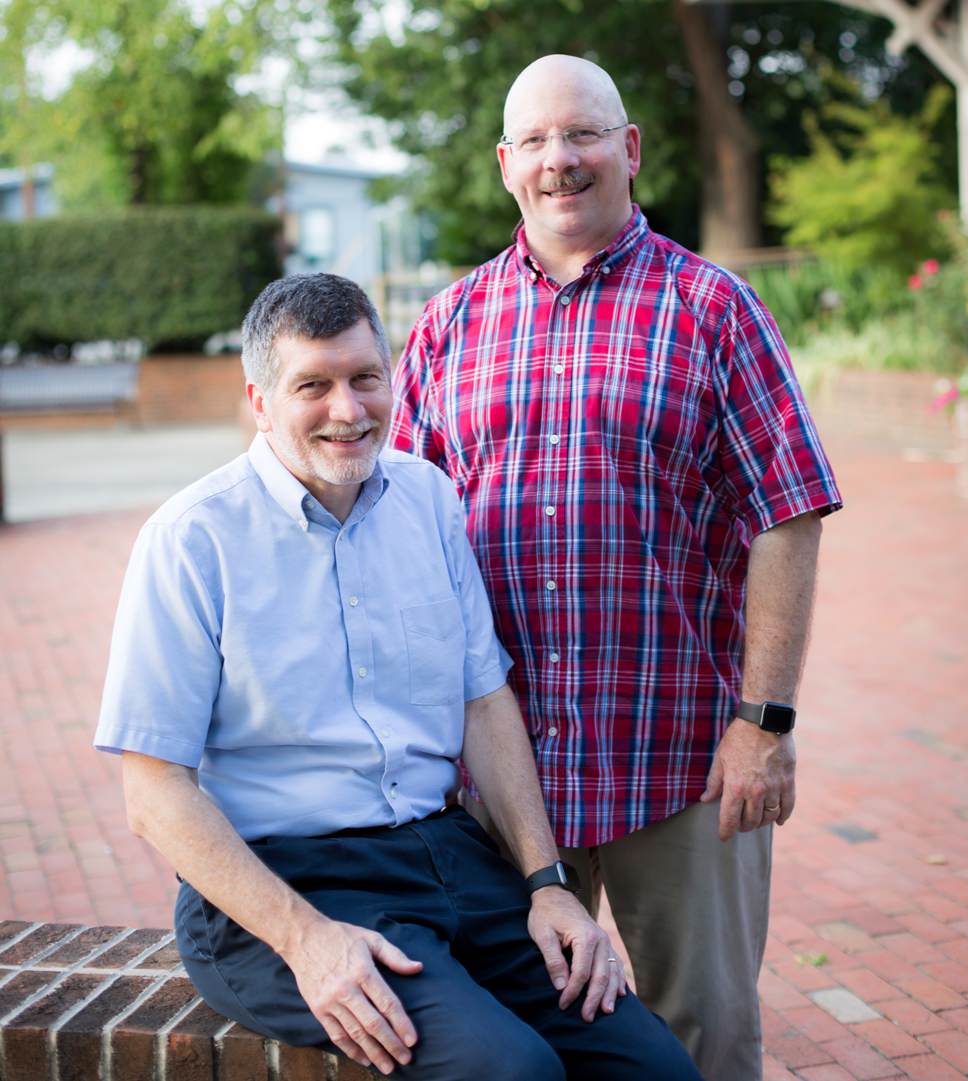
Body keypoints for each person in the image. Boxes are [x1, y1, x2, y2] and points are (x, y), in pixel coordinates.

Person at [93, 273, 702, 1081]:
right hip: (286, 882)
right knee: (510, 1071)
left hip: (450, 857)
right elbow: (155, 793)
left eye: (364, 377)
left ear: (393, 377)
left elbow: (484, 703)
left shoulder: (430, 500)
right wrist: (307, 937)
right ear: (259, 397)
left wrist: (548, 884)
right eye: (313, 384)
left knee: (653, 1066)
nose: (347, 409)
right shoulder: (190, 541)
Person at [391, 55, 843, 1081]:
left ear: (627, 149)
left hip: (677, 759)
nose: (562, 159)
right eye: (538, 142)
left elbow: (790, 512)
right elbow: (400, 533)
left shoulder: (712, 308)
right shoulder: (447, 324)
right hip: (495, 780)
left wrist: (763, 722)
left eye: (583, 134)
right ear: (507, 165)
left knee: (704, 1035)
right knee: (514, 1036)